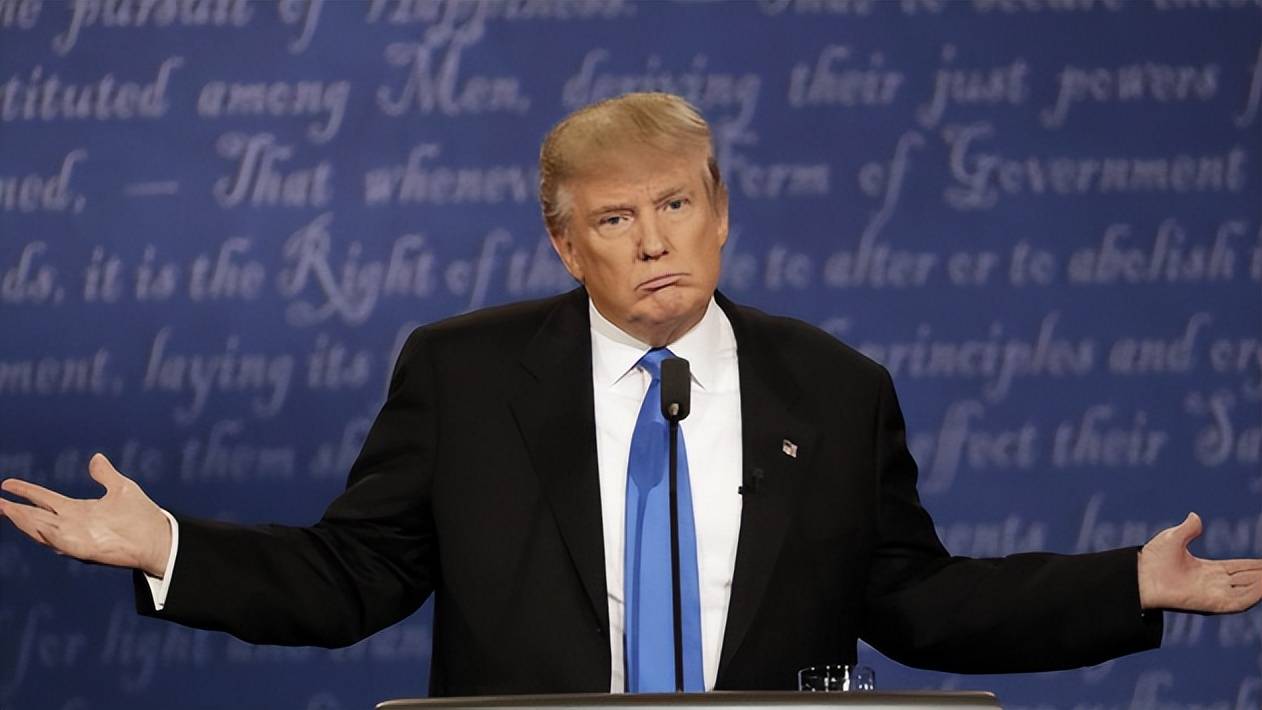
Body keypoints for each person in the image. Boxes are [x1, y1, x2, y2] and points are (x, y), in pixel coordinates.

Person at [1, 93, 1259, 696]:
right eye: (615, 217)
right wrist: (167, 546)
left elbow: (913, 598)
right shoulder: (463, 375)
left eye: (675, 203)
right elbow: (354, 577)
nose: (654, 239)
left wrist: (1125, 584)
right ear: (565, 244)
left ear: (720, 213)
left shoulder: (833, 387)